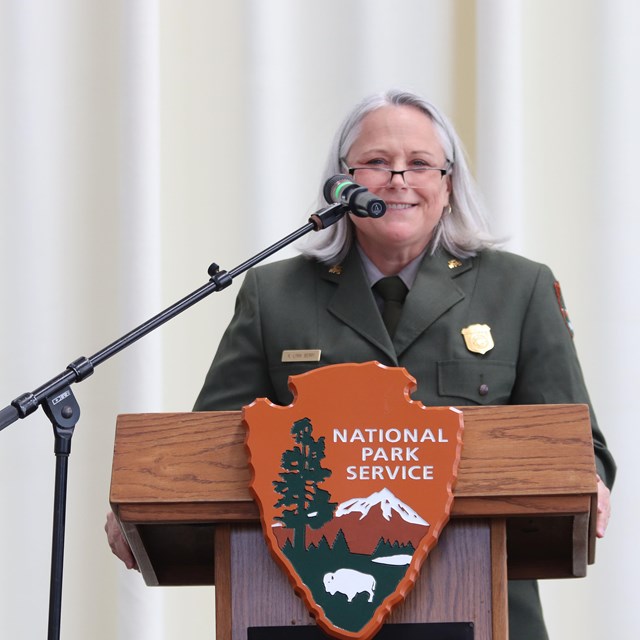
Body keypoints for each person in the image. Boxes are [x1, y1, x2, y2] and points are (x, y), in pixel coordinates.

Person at [106, 89, 615, 638]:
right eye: (376, 163)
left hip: (488, 607)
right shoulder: (274, 294)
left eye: (419, 164)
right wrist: (147, 499)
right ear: (341, 185)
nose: (398, 178)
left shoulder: (519, 288)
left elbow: (580, 447)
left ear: (447, 186)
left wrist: (587, 478)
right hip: (305, 611)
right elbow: (210, 446)